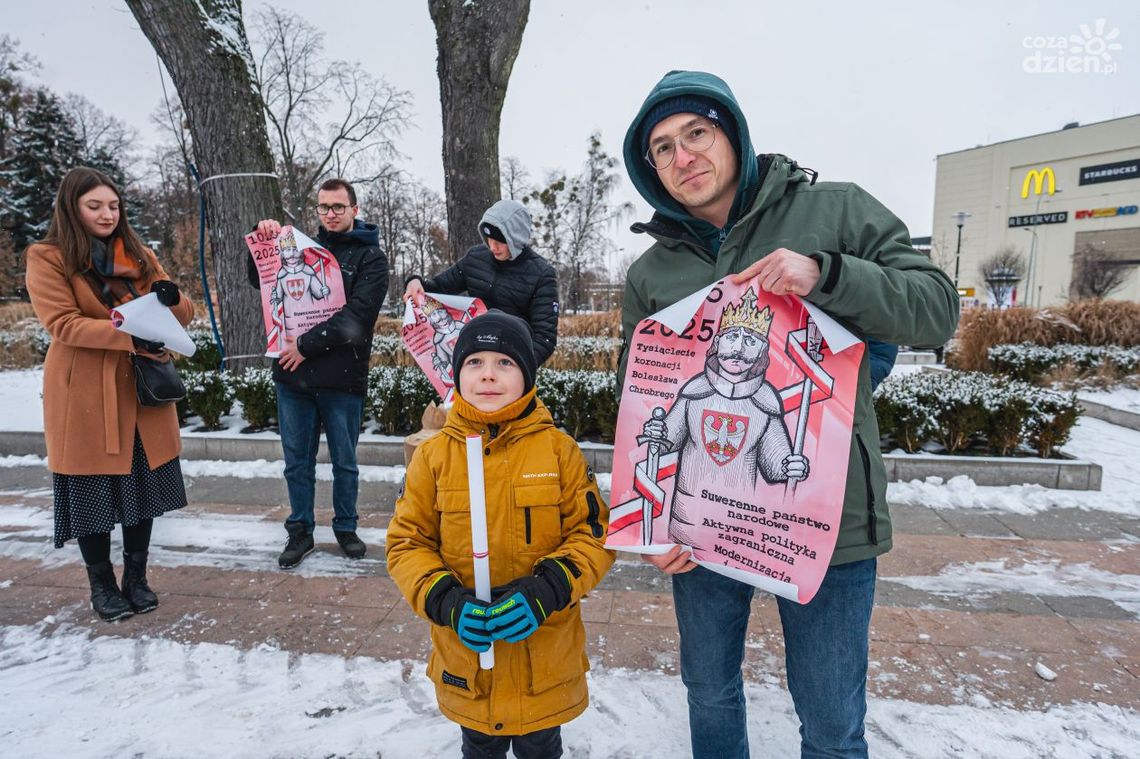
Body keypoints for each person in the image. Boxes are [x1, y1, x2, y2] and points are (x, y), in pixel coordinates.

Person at [620, 71, 959, 758]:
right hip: (700, 524)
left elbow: (936, 307)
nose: (683, 157)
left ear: (732, 135)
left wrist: (826, 274)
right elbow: (641, 402)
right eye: (662, 148)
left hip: (824, 523)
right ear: (649, 167)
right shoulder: (650, 274)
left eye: (696, 134)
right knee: (709, 692)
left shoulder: (834, 212)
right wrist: (649, 520)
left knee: (832, 725)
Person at [386, 311, 614, 759]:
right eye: (475, 362)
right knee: (480, 747)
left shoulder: (559, 451)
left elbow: (594, 535)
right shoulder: (433, 458)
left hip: (543, 662)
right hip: (469, 665)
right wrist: (444, 600)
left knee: (541, 747)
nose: (488, 374)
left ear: (527, 374)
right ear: (457, 375)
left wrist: (548, 589)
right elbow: (406, 543)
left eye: (505, 363)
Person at [25, 166, 195, 622]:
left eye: (113, 206)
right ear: (72, 207)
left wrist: (171, 297)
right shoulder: (48, 257)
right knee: (92, 493)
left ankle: (135, 578)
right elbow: (62, 323)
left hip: (144, 390)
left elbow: (183, 312)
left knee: (143, 487)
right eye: (95, 205)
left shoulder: (137, 253)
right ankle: (101, 584)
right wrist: (131, 333)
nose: (106, 214)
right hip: (86, 390)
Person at [250, 178, 388, 568]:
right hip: (292, 379)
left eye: (338, 207)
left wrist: (305, 346)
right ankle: (300, 531)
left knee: (344, 460)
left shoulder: (371, 259)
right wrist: (265, 241)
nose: (330, 214)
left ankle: (346, 528)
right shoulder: (301, 248)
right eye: (324, 207)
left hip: (342, 377)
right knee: (297, 461)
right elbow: (262, 281)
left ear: (354, 210)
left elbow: (357, 319)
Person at [403, 199, 560, 364]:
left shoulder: (541, 274)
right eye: (489, 239)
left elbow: (545, 337)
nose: (493, 246)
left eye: (500, 241)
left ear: (516, 238)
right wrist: (414, 282)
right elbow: (438, 288)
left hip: (513, 360)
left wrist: (519, 366)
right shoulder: (475, 258)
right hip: (474, 355)